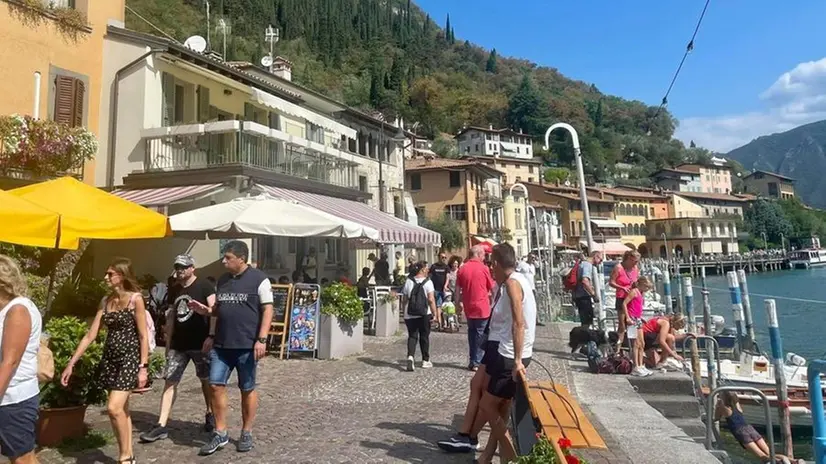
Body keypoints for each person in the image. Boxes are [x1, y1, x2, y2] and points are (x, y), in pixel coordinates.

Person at [62, 258, 150, 464]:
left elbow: (143, 336)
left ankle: (124, 457)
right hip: (110, 359)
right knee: (123, 409)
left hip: (130, 359)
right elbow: (90, 335)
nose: (106, 278)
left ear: (122, 275)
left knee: (114, 408)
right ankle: (129, 455)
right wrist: (71, 363)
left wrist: (143, 367)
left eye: (110, 274)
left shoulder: (135, 299)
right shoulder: (105, 301)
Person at [193, 241, 274, 456]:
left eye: (228, 257)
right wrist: (207, 313)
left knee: (247, 388)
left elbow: (267, 310)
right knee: (215, 385)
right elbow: (219, 310)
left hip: (247, 345)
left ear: (241, 258)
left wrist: (262, 340)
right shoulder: (223, 280)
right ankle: (221, 432)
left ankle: (246, 431)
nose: (223, 261)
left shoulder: (259, 279)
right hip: (222, 344)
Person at [140, 255, 216, 443]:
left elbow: (214, 311)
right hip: (179, 345)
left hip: (200, 342)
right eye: (177, 267)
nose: (180, 271)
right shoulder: (174, 289)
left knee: (206, 380)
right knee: (170, 381)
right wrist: (167, 343)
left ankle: (210, 413)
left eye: (183, 267)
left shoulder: (205, 285)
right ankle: (161, 424)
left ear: (192, 268)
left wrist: (211, 336)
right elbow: (171, 316)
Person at [476, 243, 537, 464]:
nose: (491, 270)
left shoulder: (512, 284)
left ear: (496, 264)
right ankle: (489, 457)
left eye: (491, 265)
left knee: (487, 405)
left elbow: (519, 323)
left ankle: (511, 453)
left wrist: (518, 360)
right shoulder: (520, 280)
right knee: (500, 409)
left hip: (510, 355)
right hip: (512, 352)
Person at [0, 255, 42, 464]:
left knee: (22, 459)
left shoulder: (17, 311)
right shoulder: (6, 309)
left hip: (13, 399)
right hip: (8, 397)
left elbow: (9, 362)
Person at [715, 392, 794, 462]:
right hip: (750, 428)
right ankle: (794, 461)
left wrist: (717, 406)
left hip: (740, 432)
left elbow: (716, 418)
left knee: (762, 456)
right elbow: (735, 398)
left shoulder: (723, 408)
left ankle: (779, 462)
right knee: (770, 453)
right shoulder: (737, 406)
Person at [456, 245, 495, 371]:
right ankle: (477, 362)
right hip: (482, 307)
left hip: (468, 307)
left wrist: (457, 304)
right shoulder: (484, 268)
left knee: (471, 333)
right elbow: (492, 287)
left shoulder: (462, 269)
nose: (484, 257)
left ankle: (472, 360)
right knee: (480, 334)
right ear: (478, 254)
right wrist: (495, 301)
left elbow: (457, 289)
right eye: (483, 254)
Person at [401, 262, 437, 371]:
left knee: (412, 336)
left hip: (410, 313)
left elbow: (404, 300)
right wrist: (435, 314)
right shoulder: (428, 282)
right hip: (424, 313)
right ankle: (425, 360)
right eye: (426, 269)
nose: (427, 270)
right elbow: (431, 299)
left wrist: (404, 312)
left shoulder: (408, 282)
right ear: (421, 270)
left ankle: (410, 356)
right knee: (424, 336)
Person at [623, 276, 653, 377]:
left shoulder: (641, 293)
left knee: (642, 343)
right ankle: (636, 366)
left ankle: (641, 365)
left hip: (638, 318)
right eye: (646, 287)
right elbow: (624, 304)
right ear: (642, 284)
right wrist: (627, 317)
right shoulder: (634, 292)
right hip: (632, 318)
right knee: (636, 343)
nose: (647, 289)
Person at [610, 250, 640, 350]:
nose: (636, 263)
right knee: (622, 325)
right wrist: (621, 287)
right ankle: (617, 348)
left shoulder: (635, 268)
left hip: (632, 297)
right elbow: (611, 282)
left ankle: (633, 349)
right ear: (628, 259)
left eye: (637, 261)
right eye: (634, 261)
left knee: (632, 324)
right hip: (621, 297)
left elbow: (636, 280)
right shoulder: (619, 268)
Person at [572, 252, 602, 327]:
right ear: (596, 256)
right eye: (600, 260)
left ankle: (584, 336)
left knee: (585, 321)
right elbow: (585, 281)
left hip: (579, 295)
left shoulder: (582, 264)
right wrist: (593, 294)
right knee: (587, 322)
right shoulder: (587, 265)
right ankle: (584, 337)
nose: (600, 263)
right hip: (584, 296)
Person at [429, 253, 451, 328]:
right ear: (439, 258)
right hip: (436, 289)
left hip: (444, 290)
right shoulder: (434, 266)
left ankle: (445, 322)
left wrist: (445, 285)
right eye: (442, 257)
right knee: (438, 305)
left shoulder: (446, 267)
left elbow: (448, 277)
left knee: (445, 306)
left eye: (445, 257)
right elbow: (430, 276)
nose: (444, 259)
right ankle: (439, 323)